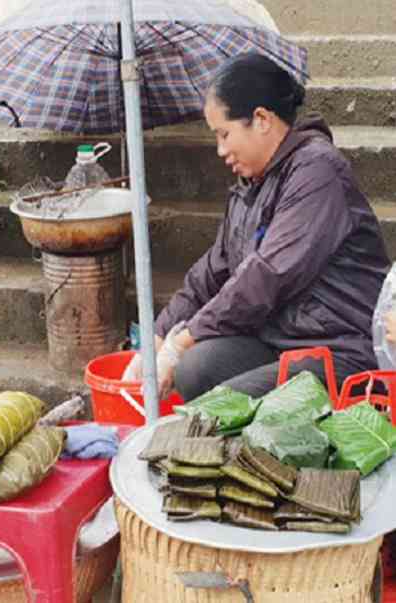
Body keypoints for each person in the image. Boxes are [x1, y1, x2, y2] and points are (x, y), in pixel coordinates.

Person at [123, 53, 390, 400]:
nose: (221, 150)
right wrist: (157, 340)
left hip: (340, 348)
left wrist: (185, 337)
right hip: (279, 340)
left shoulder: (317, 172)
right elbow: (209, 274)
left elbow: (267, 277)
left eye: (224, 134)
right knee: (195, 370)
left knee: (226, 403)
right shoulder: (252, 186)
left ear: (261, 119)